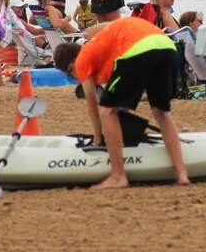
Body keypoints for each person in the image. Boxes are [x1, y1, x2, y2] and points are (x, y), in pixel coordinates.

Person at [52, 19, 190, 189]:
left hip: (138, 49)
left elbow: (93, 105)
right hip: (166, 45)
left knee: (107, 111)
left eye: (70, 75)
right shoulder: (101, 49)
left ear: (70, 66)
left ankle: (118, 176)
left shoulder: (82, 60)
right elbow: (124, 93)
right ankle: (181, 172)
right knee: (161, 112)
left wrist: (98, 137)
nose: (75, 78)